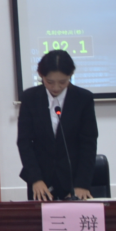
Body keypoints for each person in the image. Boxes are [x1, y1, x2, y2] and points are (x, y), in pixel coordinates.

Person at [17, 50, 98, 201]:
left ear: (70, 75)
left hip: (74, 179)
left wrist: (81, 183)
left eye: (62, 82)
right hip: (41, 180)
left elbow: (88, 144)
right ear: (41, 75)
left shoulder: (83, 99)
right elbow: (24, 142)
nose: (56, 87)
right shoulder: (30, 98)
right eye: (49, 81)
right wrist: (35, 179)